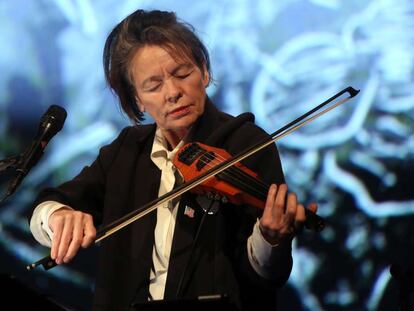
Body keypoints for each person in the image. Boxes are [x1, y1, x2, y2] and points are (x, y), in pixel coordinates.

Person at [29, 9, 318, 311]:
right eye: (153, 86)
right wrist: (57, 216)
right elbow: (46, 207)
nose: (173, 93)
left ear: (204, 71)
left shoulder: (247, 145)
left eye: (182, 74)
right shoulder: (127, 150)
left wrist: (271, 238)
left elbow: (267, 277)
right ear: (137, 98)